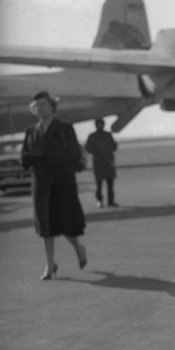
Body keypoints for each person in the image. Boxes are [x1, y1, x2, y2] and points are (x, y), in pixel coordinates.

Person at [20, 91, 87, 279]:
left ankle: (79, 248)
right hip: (41, 184)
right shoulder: (30, 131)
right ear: (33, 110)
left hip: (62, 183)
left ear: (52, 107)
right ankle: (50, 265)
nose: (40, 107)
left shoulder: (65, 128)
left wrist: (47, 156)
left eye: (43, 104)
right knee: (45, 227)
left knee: (66, 225)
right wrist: (27, 159)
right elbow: (25, 157)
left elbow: (74, 154)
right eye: (37, 105)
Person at [85, 118, 118, 207]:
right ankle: (99, 201)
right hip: (98, 163)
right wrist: (97, 151)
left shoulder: (108, 135)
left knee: (110, 185)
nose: (100, 126)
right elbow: (88, 148)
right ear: (96, 125)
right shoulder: (92, 136)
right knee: (99, 185)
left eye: (101, 124)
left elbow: (114, 146)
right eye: (98, 124)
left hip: (108, 163)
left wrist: (107, 150)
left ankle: (111, 201)